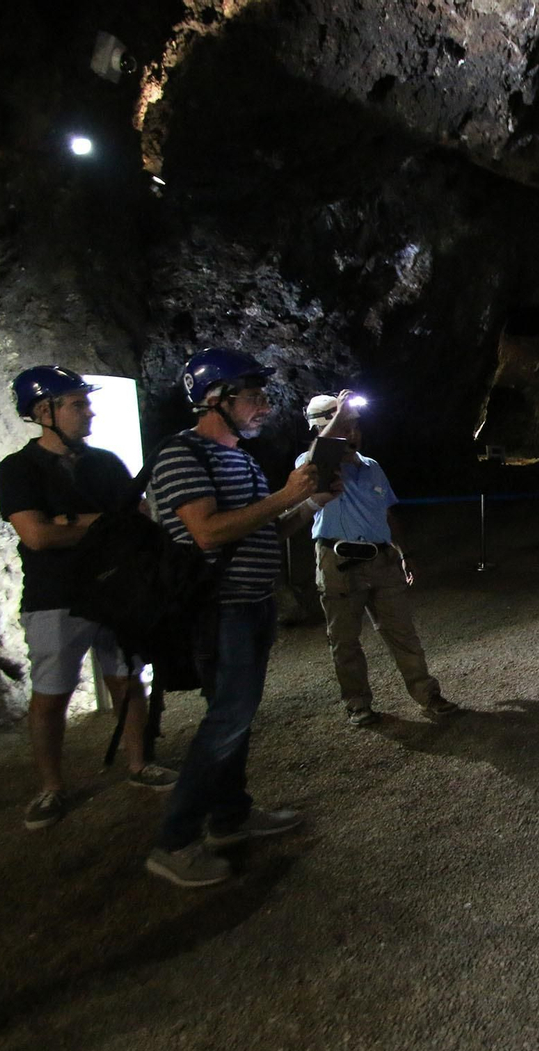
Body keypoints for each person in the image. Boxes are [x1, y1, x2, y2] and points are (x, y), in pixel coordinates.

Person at [143, 348, 323, 888]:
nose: (265, 405)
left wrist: (308, 504)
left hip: (250, 606)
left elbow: (264, 530)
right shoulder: (181, 456)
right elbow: (208, 532)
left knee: (235, 716)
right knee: (225, 720)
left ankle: (230, 817)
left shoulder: (240, 458)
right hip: (218, 610)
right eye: (254, 395)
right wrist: (284, 496)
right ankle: (174, 840)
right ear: (215, 401)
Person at [0, 366, 178, 830]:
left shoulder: (106, 464)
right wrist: (102, 523)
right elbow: (36, 535)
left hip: (114, 590)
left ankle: (139, 763)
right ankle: (51, 788)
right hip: (55, 597)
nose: (89, 410)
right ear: (44, 411)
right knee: (52, 694)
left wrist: (69, 524)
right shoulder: (18, 468)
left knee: (126, 678)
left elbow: (136, 522)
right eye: (77, 403)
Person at [298, 391, 463, 727]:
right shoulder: (310, 464)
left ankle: (427, 693)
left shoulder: (372, 467)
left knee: (402, 631)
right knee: (345, 639)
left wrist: (405, 553)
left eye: (356, 425)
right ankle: (357, 703)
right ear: (322, 429)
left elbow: (388, 514)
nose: (354, 433)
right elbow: (317, 462)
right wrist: (338, 418)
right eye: (345, 427)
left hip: (381, 560)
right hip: (338, 561)